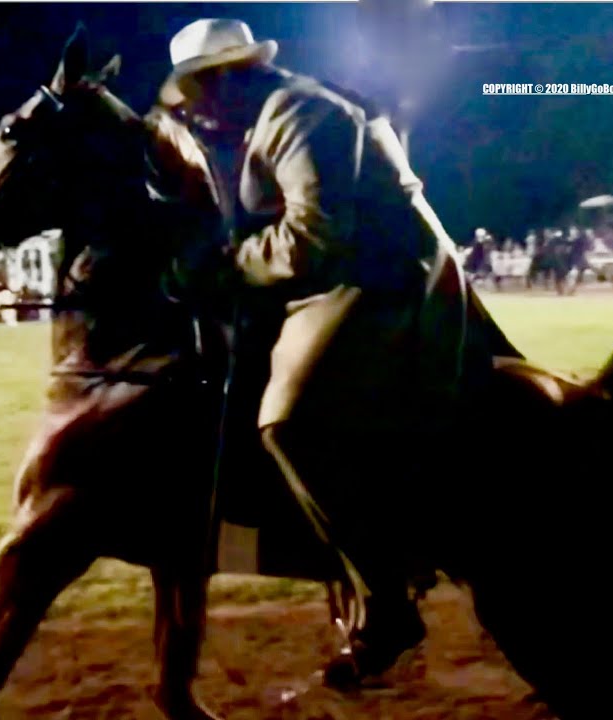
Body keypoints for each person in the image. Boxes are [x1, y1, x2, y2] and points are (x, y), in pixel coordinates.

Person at [146, 18, 521, 685]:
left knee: (288, 422)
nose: (196, 109)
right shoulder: (265, 117)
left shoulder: (302, 113)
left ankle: (386, 600)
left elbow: (313, 239)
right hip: (332, 280)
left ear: (228, 74)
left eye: (197, 92)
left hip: (383, 278)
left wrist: (227, 263)